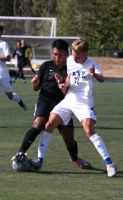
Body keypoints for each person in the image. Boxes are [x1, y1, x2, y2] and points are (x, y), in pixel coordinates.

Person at [12, 39, 91, 171]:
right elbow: (35, 88)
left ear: (66, 54)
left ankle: (75, 158)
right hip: (45, 101)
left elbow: (70, 91)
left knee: (69, 139)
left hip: (64, 104)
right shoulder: (46, 66)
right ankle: (20, 153)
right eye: (54, 54)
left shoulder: (71, 68)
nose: (57, 57)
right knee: (39, 123)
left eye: (60, 55)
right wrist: (35, 83)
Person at [44, 38, 117, 177]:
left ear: (86, 55)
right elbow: (70, 78)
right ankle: (39, 160)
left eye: (78, 56)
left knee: (89, 130)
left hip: (84, 102)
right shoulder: (70, 60)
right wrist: (64, 84)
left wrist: (94, 73)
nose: (74, 58)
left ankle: (109, 163)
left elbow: (102, 79)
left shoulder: (92, 64)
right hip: (70, 99)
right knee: (49, 125)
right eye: (73, 54)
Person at [0, 24, 27, 124]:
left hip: (4, 74)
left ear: (1, 33)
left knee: (9, 96)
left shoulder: (3, 44)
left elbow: (8, 58)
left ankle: (18, 100)